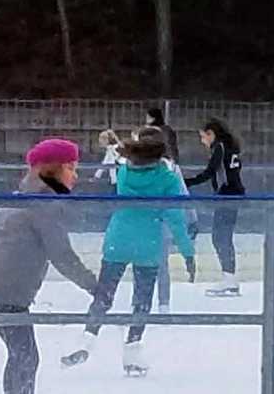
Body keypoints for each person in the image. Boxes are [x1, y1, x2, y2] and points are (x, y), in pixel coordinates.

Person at [0, 138, 98, 394]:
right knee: (25, 354)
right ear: (52, 170)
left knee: (21, 352)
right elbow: (61, 255)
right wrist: (95, 286)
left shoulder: (26, 194)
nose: (75, 175)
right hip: (4, 292)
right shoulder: (42, 204)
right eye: (70, 168)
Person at [65, 127, 195, 377]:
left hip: (119, 238)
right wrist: (187, 252)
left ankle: (87, 338)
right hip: (149, 242)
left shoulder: (124, 172)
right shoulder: (167, 179)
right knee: (142, 299)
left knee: (104, 293)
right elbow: (176, 218)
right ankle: (133, 350)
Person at [187, 117, 246, 297]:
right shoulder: (229, 146)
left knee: (221, 237)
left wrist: (186, 182)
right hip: (231, 194)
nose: (202, 141)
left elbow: (210, 172)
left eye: (203, 137)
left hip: (228, 195)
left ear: (211, 134)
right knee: (222, 237)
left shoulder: (220, 147)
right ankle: (229, 278)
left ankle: (230, 279)